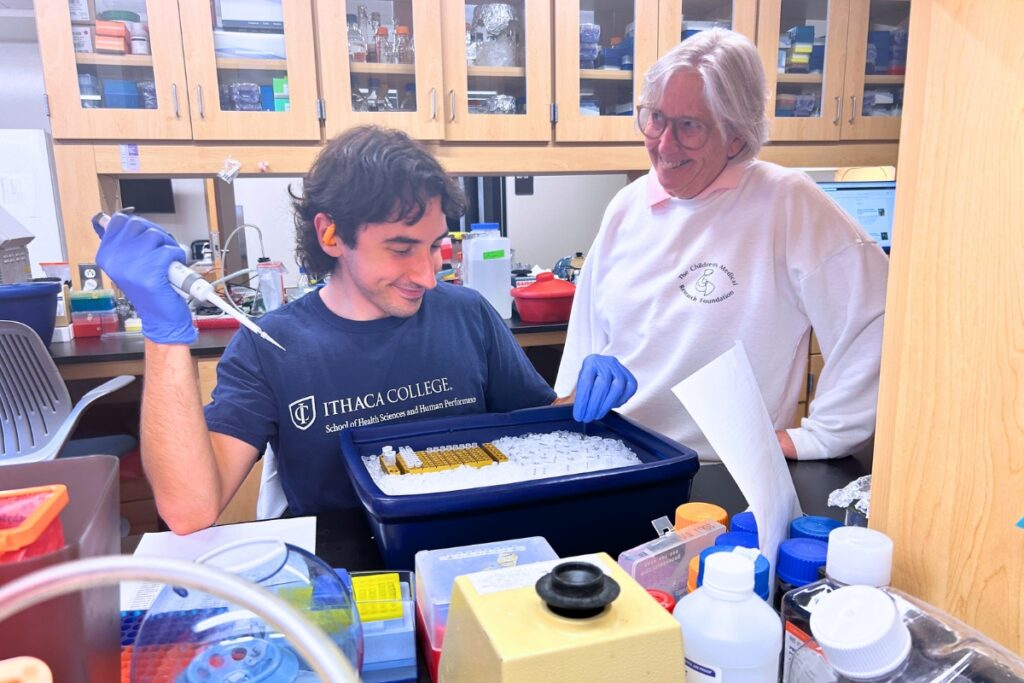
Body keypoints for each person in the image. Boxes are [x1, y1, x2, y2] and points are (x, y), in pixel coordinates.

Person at [96, 126, 636, 534]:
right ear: (331, 234)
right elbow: (190, 510)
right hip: (343, 574)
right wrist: (166, 336)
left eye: (435, 247)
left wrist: (587, 399)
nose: (427, 275)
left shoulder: (467, 314)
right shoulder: (269, 347)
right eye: (401, 247)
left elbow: (538, 429)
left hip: (470, 548)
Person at [555, 29, 888, 462]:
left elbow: (876, 318)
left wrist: (822, 437)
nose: (664, 144)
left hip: (726, 471)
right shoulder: (627, 206)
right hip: (619, 460)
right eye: (655, 117)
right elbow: (584, 349)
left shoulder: (784, 202)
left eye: (689, 126)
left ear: (735, 135)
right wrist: (570, 404)